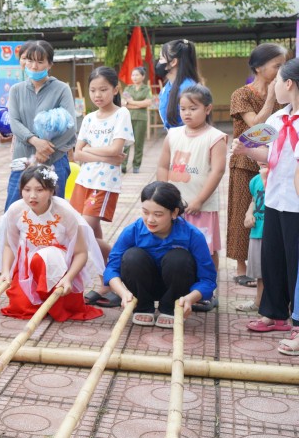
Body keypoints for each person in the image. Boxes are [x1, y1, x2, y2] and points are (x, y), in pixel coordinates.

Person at [0, 40, 76, 279]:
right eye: (29, 60)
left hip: (56, 161)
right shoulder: (17, 90)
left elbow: (69, 125)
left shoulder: (61, 89)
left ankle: (50, 262)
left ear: (50, 64)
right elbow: (15, 122)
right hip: (23, 161)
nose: (34, 65)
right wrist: (36, 142)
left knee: (53, 212)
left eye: (40, 60)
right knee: (12, 210)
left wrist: (47, 151)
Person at [232, 58, 299, 337]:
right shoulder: (276, 119)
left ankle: (295, 318)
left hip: (296, 204)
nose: (273, 88)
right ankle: (274, 314)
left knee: (295, 262)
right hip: (275, 200)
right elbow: (270, 157)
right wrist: (247, 152)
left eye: (277, 81)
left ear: (288, 83)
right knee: (274, 259)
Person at [0, 165, 104, 322]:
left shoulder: (65, 212)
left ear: (51, 191)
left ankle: (53, 297)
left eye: (40, 190)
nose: (32, 196)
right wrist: (5, 271)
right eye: (27, 190)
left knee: (44, 256)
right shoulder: (15, 210)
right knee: (21, 308)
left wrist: (69, 278)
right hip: (27, 267)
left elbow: (81, 252)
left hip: (58, 267)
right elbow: (8, 245)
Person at [105, 182, 217, 327]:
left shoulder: (192, 235)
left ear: (175, 213)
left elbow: (208, 279)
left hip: (178, 288)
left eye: (158, 214)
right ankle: (143, 306)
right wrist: (123, 293)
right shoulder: (133, 230)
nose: (150, 220)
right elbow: (111, 268)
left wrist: (190, 298)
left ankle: (171, 308)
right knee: (132, 256)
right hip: (142, 286)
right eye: (145, 212)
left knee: (178, 259)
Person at [156, 84, 227, 309]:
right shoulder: (173, 134)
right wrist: (164, 197)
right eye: (183, 108)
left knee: (206, 249)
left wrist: (199, 200)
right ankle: (180, 289)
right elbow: (162, 165)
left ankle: (207, 291)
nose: (186, 113)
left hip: (201, 207)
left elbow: (217, 171)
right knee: (174, 247)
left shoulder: (215, 137)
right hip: (175, 207)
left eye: (193, 108)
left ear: (208, 109)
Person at [71, 67, 134, 308]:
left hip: (104, 184)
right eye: (93, 90)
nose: (98, 95)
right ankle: (106, 283)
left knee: (84, 232)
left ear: (115, 90)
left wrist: (93, 152)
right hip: (83, 181)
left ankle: (124, 259)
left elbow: (116, 150)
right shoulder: (88, 118)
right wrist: (107, 155)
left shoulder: (121, 114)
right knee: (92, 233)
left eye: (104, 89)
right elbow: (77, 154)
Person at [227, 44, 286, 287]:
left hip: (272, 160)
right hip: (244, 161)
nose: (282, 71)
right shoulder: (241, 94)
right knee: (243, 212)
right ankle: (243, 268)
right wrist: (271, 97)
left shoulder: (284, 93)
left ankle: (264, 264)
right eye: (277, 66)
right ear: (259, 68)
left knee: (266, 212)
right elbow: (255, 129)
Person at [237, 165, 267, 313]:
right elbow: (254, 200)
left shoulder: (280, 177)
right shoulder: (255, 180)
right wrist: (248, 214)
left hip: (274, 233)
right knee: (260, 273)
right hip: (257, 232)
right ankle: (259, 302)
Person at [155, 39, 201, 129]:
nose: (158, 63)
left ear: (173, 62)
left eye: (161, 58)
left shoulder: (189, 89)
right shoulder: (167, 88)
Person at [122, 66, 152, 173]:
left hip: (141, 119)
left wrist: (132, 102)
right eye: (133, 75)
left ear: (142, 76)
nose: (134, 77)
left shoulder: (147, 89)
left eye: (137, 75)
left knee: (139, 143)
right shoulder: (127, 88)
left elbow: (148, 102)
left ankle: (136, 165)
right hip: (128, 118)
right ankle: (123, 165)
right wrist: (139, 104)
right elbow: (123, 103)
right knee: (125, 142)